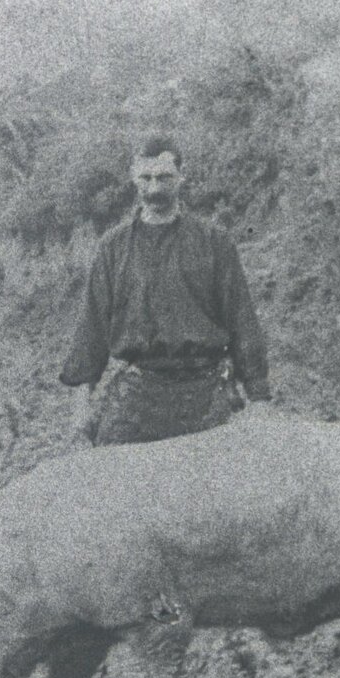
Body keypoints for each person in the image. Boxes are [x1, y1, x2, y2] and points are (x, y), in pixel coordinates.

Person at [59, 136, 273, 446]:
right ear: (134, 178)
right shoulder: (113, 249)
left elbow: (242, 321)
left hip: (205, 391)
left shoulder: (214, 243)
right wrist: (80, 407)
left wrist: (259, 398)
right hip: (140, 391)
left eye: (164, 178)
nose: (155, 188)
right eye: (146, 178)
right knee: (108, 478)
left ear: (181, 177)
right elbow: (91, 329)